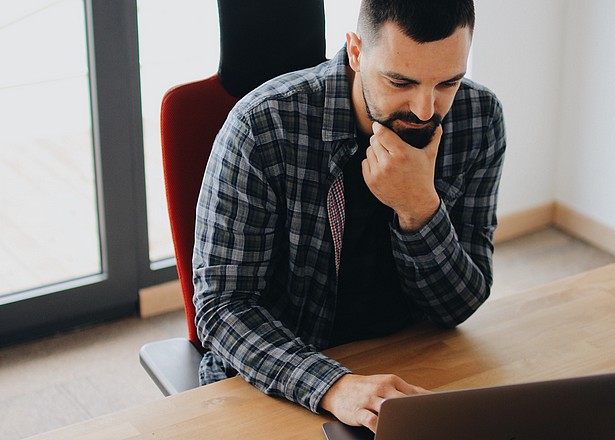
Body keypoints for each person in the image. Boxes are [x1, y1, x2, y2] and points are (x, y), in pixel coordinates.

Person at [193, 0, 506, 433]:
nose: (424, 110)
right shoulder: (261, 128)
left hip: (409, 368)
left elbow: (459, 305)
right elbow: (222, 308)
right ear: (356, 52)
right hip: (282, 379)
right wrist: (333, 385)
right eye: (400, 81)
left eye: (448, 82)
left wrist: (419, 208)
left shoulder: (478, 118)